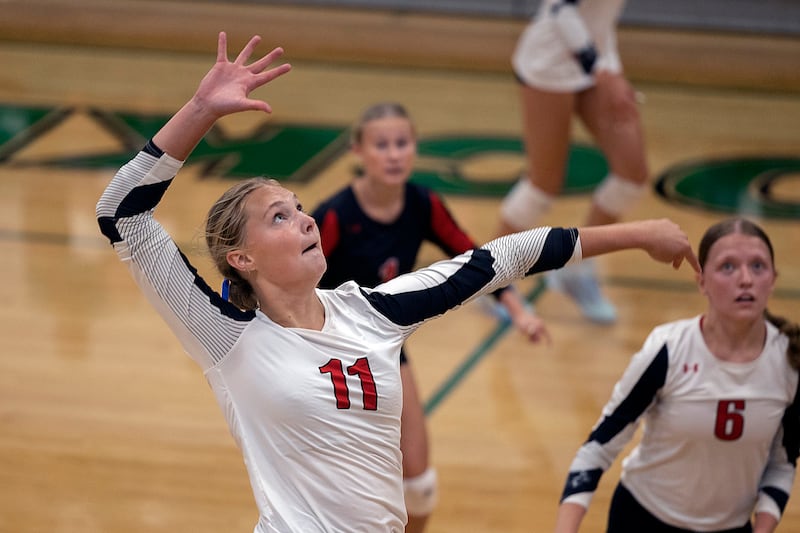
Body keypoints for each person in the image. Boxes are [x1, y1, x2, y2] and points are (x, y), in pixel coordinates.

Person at [96, 31, 700, 532]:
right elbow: (120, 214)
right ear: (241, 258)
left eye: (299, 206)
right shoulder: (225, 335)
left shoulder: (372, 311)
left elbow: (501, 258)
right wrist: (200, 111)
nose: (305, 217)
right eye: (279, 217)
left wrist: (640, 231)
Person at [311, 101, 548, 532]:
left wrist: (518, 312)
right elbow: (291, 277)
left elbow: (478, 258)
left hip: (385, 349)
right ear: (357, 151)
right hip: (324, 356)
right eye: (381, 145)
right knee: (336, 488)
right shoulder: (333, 215)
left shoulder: (422, 204)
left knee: (419, 484)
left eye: (402, 143)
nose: (394, 153)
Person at [555, 217, 800, 533]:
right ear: (702, 282)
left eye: (757, 266)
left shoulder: (789, 362)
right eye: (728, 267)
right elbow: (597, 448)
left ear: (773, 279)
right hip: (642, 520)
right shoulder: (668, 349)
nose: (745, 279)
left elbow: (783, 463)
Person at [497, 0, 648, 324]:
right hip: (550, 63)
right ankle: (491, 278)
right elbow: (562, 10)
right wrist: (604, 74)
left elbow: (600, 16)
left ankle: (576, 268)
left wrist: (609, 68)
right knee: (543, 186)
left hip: (597, 59)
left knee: (631, 176)